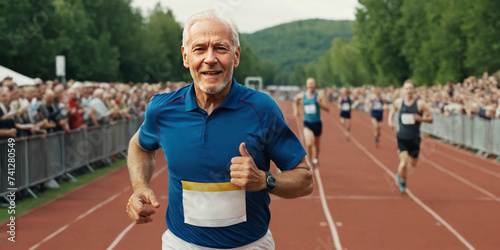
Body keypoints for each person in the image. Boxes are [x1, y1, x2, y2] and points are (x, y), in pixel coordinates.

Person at [126, 10, 313, 249]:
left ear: (236, 56)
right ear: (185, 56)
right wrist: (140, 186)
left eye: (221, 48)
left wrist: (265, 180)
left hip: (250, 245)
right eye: (200, 49)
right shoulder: (162, 109)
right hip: (181, 244)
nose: (210, 58)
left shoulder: (262, 108)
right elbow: (139, 146)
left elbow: (305, 179)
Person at [388, 80, 433, 194]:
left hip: (415, 138)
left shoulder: (420, 104)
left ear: (414, 90)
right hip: (402, 137)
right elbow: (392, 111)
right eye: (406, 88)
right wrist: (390, 121)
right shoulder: (398, 102)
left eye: (410, 88)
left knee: (412, 164)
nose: (408, 91)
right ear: (403, 90)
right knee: (403, 162)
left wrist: (421, 119)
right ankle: (401, 180)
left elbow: (430, 119)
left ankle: (400, 175)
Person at [293, 77, 330, 167]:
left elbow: (327, 109)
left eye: (312, 84)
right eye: (309, 84)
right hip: (307, 123)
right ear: (306, 85)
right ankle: (309, 162)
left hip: (317, 123)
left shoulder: (319, 96)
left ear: (315, 85)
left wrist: (320, 103)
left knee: (316, 145)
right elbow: (295, 101)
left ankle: (315, 158)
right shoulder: (302, 96)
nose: (310, 85)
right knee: (309, 143)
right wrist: (296, 110)